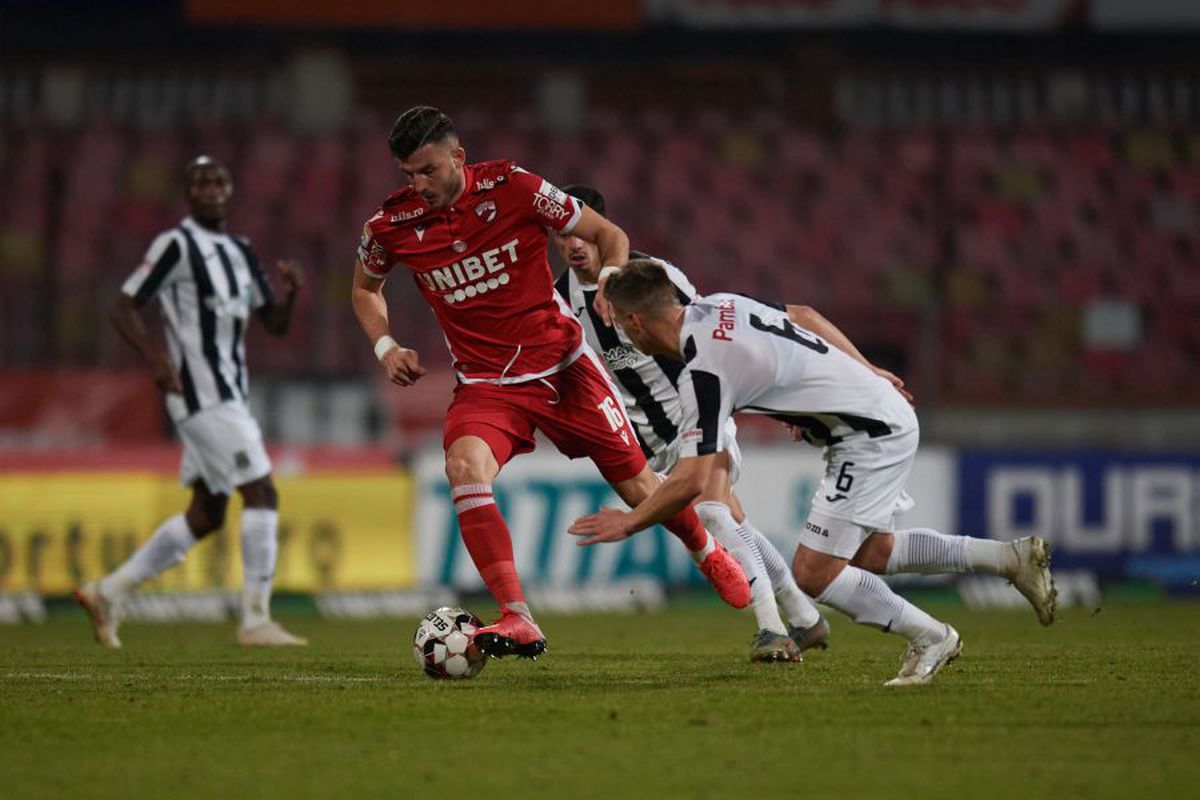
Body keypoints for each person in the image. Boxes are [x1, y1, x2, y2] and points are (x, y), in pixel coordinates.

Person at [351, 107, 748, 661]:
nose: (418, 186)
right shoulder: (389, 227)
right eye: (408, 175)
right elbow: (365, 290)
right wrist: (386, 345)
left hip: (564, 368)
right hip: (486, 386)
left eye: (428, 171)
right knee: (464, 468)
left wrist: (608, 281)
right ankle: (518, 616)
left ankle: (706, 549)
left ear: (458, 158)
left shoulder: (514, 187)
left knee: (638, 488)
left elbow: (607, 233)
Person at [571, 260, 1057, 686]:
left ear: (635, 322)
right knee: (873, 552)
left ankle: (932, 638)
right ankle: (1009, 558)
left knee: (814, 573)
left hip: (867, 436)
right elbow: (802, 317)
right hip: (872, 416)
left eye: (624, 330)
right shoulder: (721, 305)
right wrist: (859, 373)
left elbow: (694, 479)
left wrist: (629, 521)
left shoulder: (704, 371)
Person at [551, 184, 832, 663]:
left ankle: (772, 629)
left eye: (583, 233)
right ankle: (805, 618)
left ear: (602, 229)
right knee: (733, 520)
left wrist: (780, 404)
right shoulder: (559, 300)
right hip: (644, 437)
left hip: (698, 405)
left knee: (710, 512)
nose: (575, 244)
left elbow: (713, 328)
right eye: (564, 236)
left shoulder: (651, 276)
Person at [75, 156, 307, 648]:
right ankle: (256, 618)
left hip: (229, 394)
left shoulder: (242, 252)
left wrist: (289, 294)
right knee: (262, 491)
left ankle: (108, 591)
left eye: (219, 180)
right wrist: (157, 359)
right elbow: (124, 304)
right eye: (201, 181)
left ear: (230, 190)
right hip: (200, 395)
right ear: (188, 192)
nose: (212, 189)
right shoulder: (174, 245)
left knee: (207, 512)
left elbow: (276, 324)